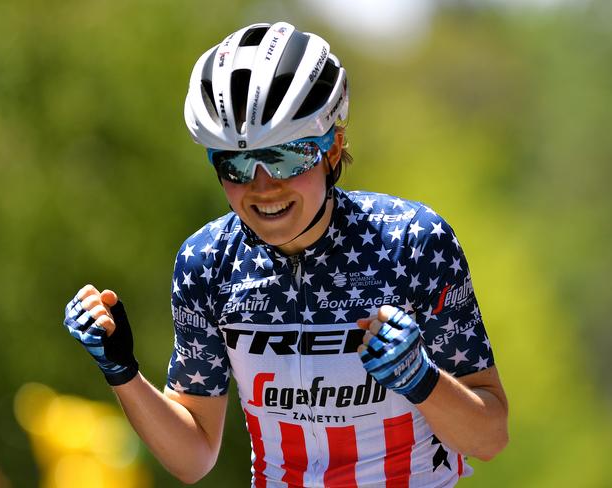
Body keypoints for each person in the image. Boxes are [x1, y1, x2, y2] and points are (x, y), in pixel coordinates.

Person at [63, 21, 508, 487]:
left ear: (333, 148)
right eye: (235, 164)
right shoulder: (207, 263)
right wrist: (122, 371)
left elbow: (490, 437)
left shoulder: (411, 241)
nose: (263, 186)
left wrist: (422, 379)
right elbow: (193, 456)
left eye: (285, 158)